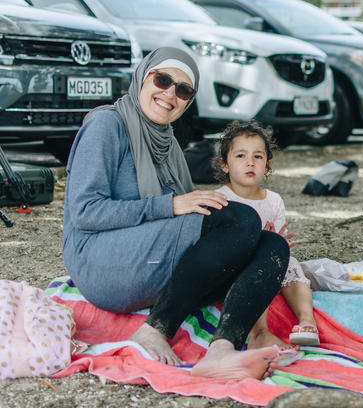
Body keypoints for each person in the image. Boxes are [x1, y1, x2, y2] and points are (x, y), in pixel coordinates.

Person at [62, 47, 292, 380]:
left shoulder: (167, 142)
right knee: (241, 220)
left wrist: (250, 239)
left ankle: (223, 350)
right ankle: (155, 329)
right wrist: (167, 205)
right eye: (163, 79)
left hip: (151, 257)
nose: (170, 94)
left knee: (271, 245)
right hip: (101, 262)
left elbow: (195, 220)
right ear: (143, 76)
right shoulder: (107, 125)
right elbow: (85, 212)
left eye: (183, 89)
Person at [213, 120, 320, 348]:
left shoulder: (273, 200)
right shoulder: (220, 199)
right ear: (224, 164)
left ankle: (307, 320)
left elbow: (280, 236)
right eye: (240, 156)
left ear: (267, 165)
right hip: (236, 264)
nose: (250, 162)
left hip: (271, 262)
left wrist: (277, 244)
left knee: (291, 263)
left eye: (258, 157)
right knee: (255, 265)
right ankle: (258, 333)